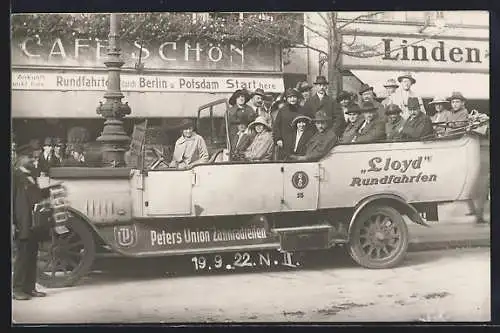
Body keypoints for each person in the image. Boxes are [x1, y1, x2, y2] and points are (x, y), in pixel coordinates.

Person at [12, 144, 52, 300]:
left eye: (34, 157)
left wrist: (48, 191)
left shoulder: (32, 174)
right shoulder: (15, 176)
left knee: (32, 255)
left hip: (34, 223)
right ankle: (16, 289)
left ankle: (30, 287)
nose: (33, 160)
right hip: (22, 223)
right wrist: (13, 223)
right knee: (22, 256)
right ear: (21, 159)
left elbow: (38, 194)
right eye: (30, 157)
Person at [273, 88, 308, 159]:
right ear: (286, 99)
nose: (292, 99)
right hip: (284, 140)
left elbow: (306, 124)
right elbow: (276, 126)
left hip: (298, 140)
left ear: (297, 98)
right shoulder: (282, 110)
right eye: (290, 97)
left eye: (294, 97)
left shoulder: (302, 110)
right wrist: (278, 139)